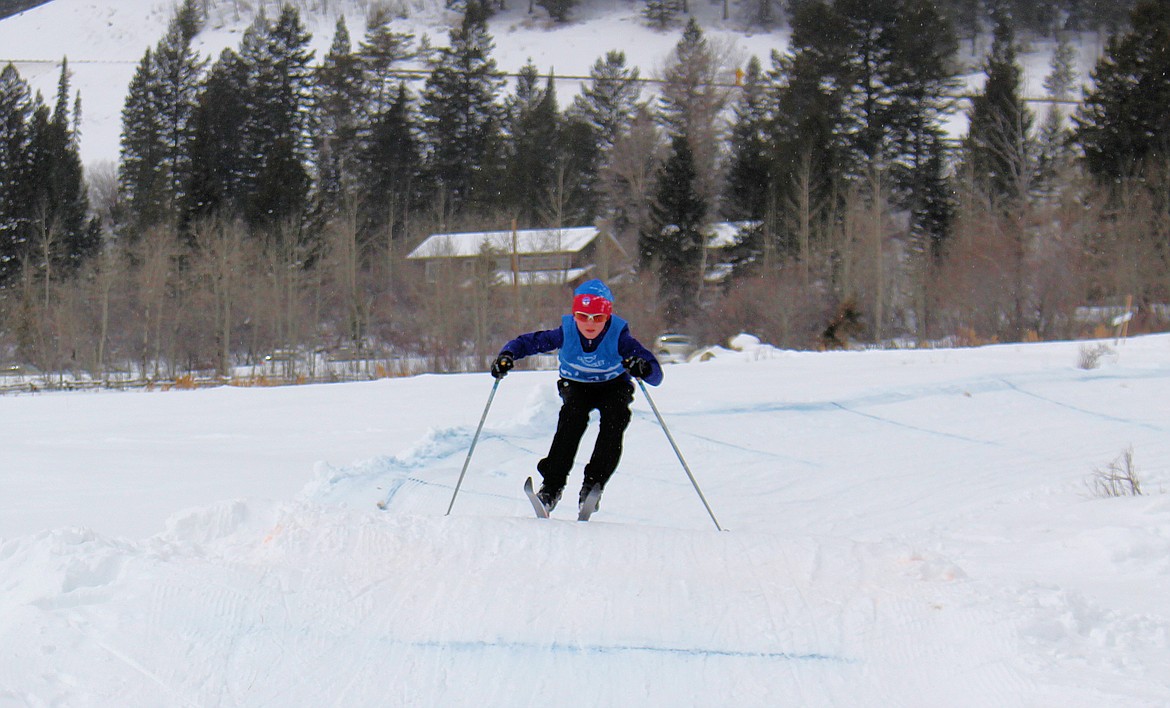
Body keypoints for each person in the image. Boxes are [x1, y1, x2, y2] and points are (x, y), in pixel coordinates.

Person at [490, 278, 663, 514]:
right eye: (583, 316)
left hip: (613, 386)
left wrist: (643, 367)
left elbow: (656, 375)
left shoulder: (620, 337)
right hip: (577, 386)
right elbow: (527, 343)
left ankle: (592, 486)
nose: (590, 324)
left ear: (608, 317)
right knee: (571, 421)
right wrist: (507, 355)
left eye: (598, 318)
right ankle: (551, 488)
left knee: (616, 418)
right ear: (574, 315)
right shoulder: (566, 332)